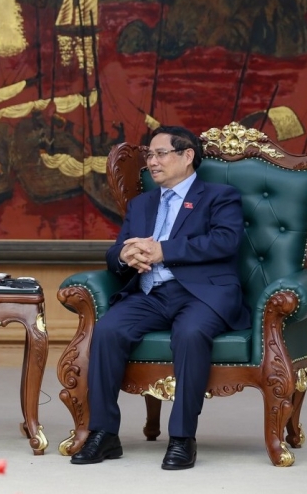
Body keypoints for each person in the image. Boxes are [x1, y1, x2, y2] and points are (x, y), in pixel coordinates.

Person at [71, 125, 249, 470]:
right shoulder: (142, 204)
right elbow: (116, 251)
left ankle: (182, 438)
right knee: (107, 331)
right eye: (149, 155)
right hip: (150, 293)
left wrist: (162, 250)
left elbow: (225, 241)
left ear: (187, 156)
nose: (152, 162)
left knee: (190, 333)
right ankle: (104, 433)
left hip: (201, 293)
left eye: (160, 154)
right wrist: (126, 256)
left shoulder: (219, 196)